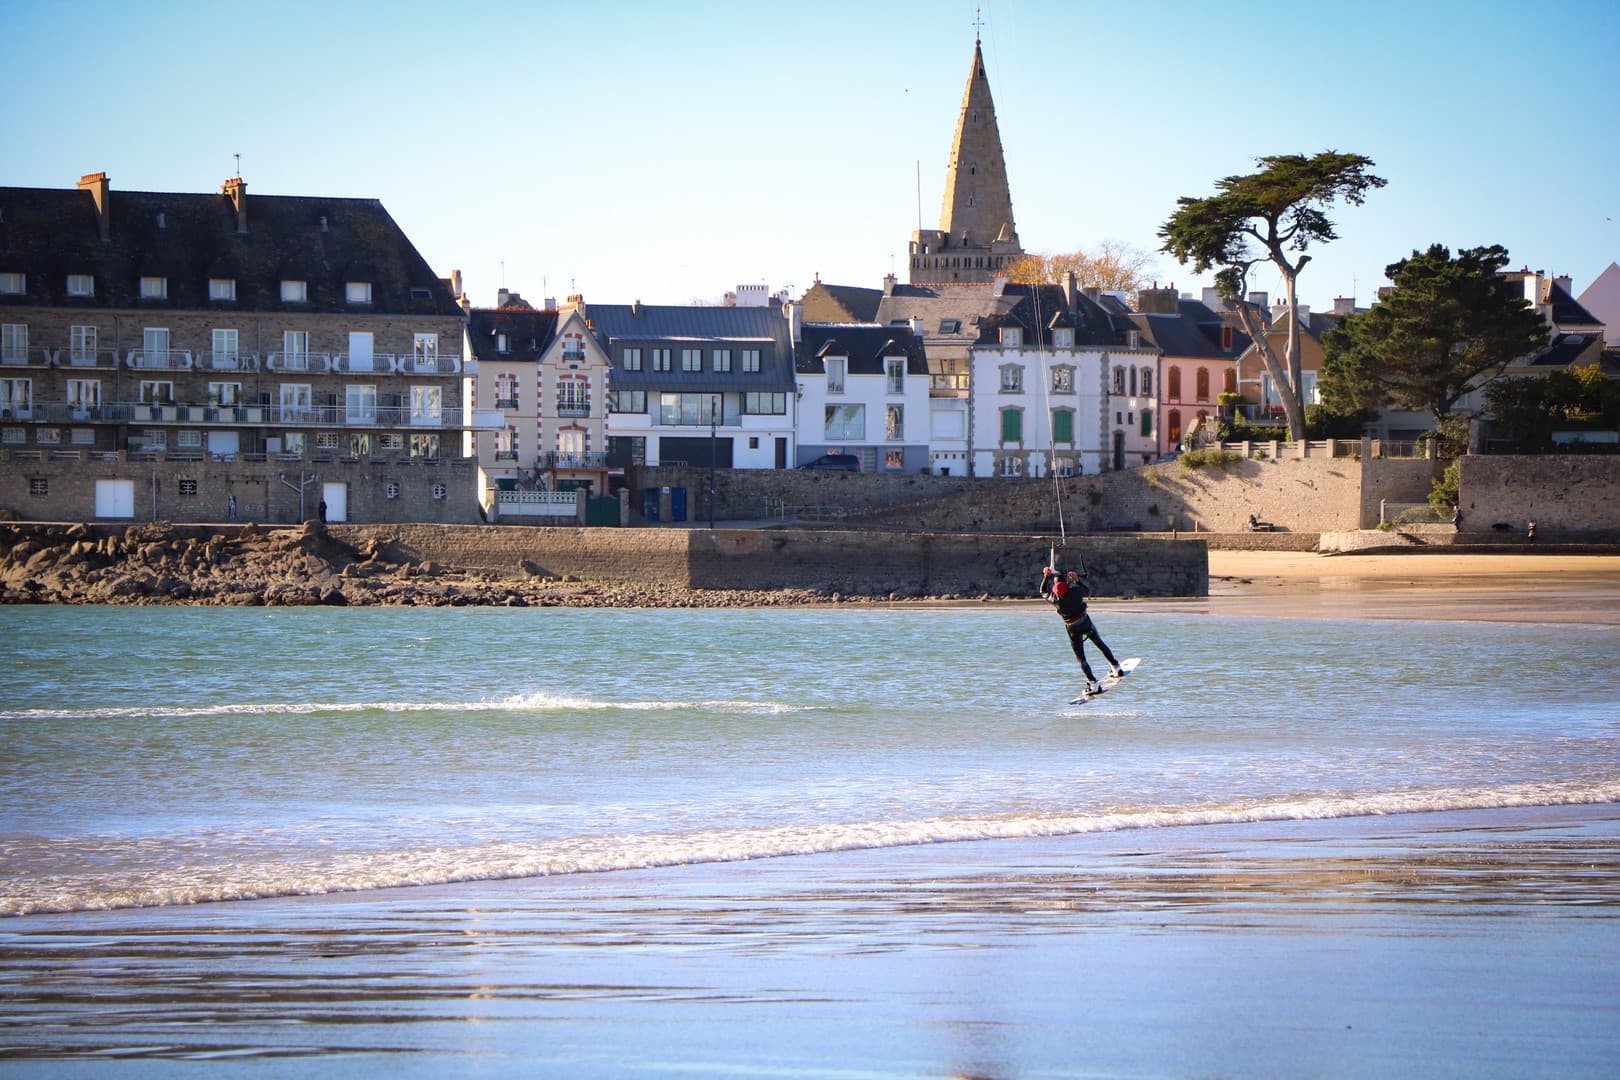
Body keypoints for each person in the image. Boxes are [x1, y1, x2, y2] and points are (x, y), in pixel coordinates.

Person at [1040, 565, 1123, 695]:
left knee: (1081, 659)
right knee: (1099, 643)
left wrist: (1045, 577)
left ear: (1055, 591)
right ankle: (1116, 668)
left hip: (1072, 628)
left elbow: (1042, 591)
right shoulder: (1075, 591)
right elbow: (1087, 590)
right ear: (1067, 585)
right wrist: (1076, 580)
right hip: (1085, 622)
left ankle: (1093, 684)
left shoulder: (1054, 599)